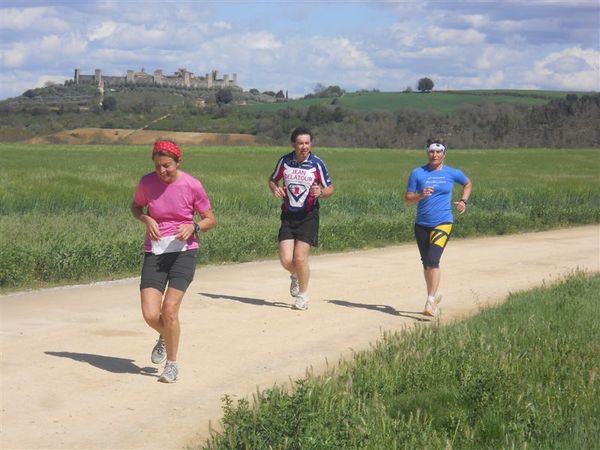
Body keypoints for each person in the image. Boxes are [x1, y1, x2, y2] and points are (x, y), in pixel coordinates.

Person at [131, 140, 216, 383]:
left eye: (167, 165)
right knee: (150, 314)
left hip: (184, 251)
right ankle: (165, 335)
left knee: (169, 310)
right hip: (155, 252)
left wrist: (194, 226)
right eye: (158, 166)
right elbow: (136, 207)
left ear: (178, 162)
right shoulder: (146, 183)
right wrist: (147, 220)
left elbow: (210, 219)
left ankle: (172, 365)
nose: (162, 171)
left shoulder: (192, 185)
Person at [268, 126, 334, 310]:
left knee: (300, 258)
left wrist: (321, 191)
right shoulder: (285, 161)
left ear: (310, 144)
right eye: (300, 143)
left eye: (307, 143)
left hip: (309, 215)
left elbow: (330, 188)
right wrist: (275, 188)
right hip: (288, 215)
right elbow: (272, 180)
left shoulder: (317, 164)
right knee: (286, 260)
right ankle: (296, 275)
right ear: (293, 144)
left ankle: (303, 297)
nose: (304, 147)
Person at [404, 139, 472, 317]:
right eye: (431, 152)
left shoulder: (452, 173)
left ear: (444, 154)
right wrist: (420, 195)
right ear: (427, 153)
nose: (434, 155)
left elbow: (467, 183)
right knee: (427, 264)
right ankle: (432, 296)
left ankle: (430, 300)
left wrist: (463, 201)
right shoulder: (417, 173)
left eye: (438, 152)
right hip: (421, 224)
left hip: (443, 222)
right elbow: (408, 198)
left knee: (433, 260)